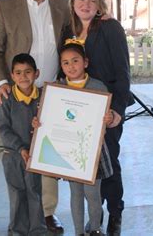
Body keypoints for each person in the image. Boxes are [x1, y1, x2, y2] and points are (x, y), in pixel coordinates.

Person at [0, 0, 69, 234]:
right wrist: (0, 84)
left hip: (52, 92)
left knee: (48, 153)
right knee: (22, 152)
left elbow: (75, 40)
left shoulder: (62, 6)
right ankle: (21, 216)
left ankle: (47, 213)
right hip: (20, 92)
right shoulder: (5, 6)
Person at [61, 0, 134, 236]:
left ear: (100, 4)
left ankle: (115, 213)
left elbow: (123, 73)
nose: (86, 4)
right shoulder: (67, 29)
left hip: (106, 111)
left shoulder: (110, 28)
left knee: (108, 163)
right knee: (84, 167)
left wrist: (117, 111)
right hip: (77, 112)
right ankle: (95, 218)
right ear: (73, 2)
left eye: (92, 0)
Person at [57, 42, 114, 236]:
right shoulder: (57, 89)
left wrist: (108, 118)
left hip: (93, 151)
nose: (71, 66)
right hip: (71, 151)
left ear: (85, 62)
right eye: (65, 63)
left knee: (92, 194)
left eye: (75, 61)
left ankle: (96, 229)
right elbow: (51, 118)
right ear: (61, 66)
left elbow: (106, 117)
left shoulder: (98, 87)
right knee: (75, 194)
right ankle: (79, 232)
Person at [0, 53, 47, 235]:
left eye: (27, 72)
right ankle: (17, 230)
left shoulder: (44, 97)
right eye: (18, 73)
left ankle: (38, 230)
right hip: (12, 156)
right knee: (17, 193)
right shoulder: (7, 99)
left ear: (37, 73)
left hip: (35, 156)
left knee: (34, 192)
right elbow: (3, 128)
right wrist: (20, 148)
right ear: (12, 75)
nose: (23, 76)